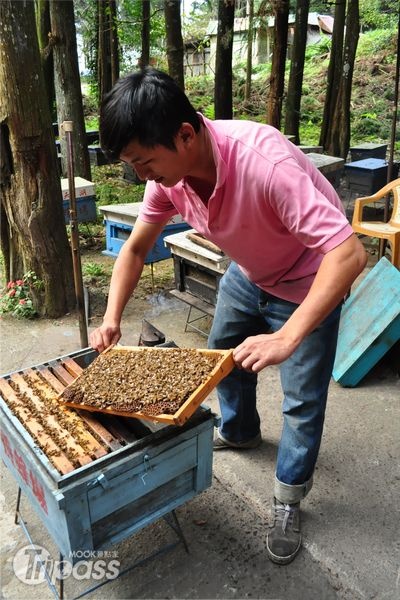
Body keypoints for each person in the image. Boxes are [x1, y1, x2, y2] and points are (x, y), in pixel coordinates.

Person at [89, 67, 367, 565]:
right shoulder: (169, 180)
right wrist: (112, 317)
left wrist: (287, 336)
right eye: (133, 165)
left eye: (145, 162)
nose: (142, 176)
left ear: (186, 135)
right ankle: (239, 431)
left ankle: (287, 497)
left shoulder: (264, 162)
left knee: (302, 398)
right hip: (249, 273)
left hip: (310, 280)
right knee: (222, 357)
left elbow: (349, 254)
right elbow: (134, 249)